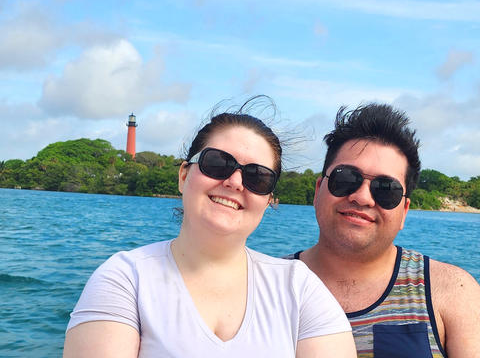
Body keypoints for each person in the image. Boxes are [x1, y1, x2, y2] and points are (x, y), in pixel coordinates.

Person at [63, 97, 356, 358]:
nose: (234, 182)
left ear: (269, 201)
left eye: (258, 177)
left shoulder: (299, 288)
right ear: (184, 175)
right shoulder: (125, 278)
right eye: (217, 163)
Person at [286, 103, 480, 357]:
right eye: (346, 179)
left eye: (386, 189)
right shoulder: (268, 285)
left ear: (405, 211)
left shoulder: (452, 290)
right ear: (318, 191)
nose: (362, 198)